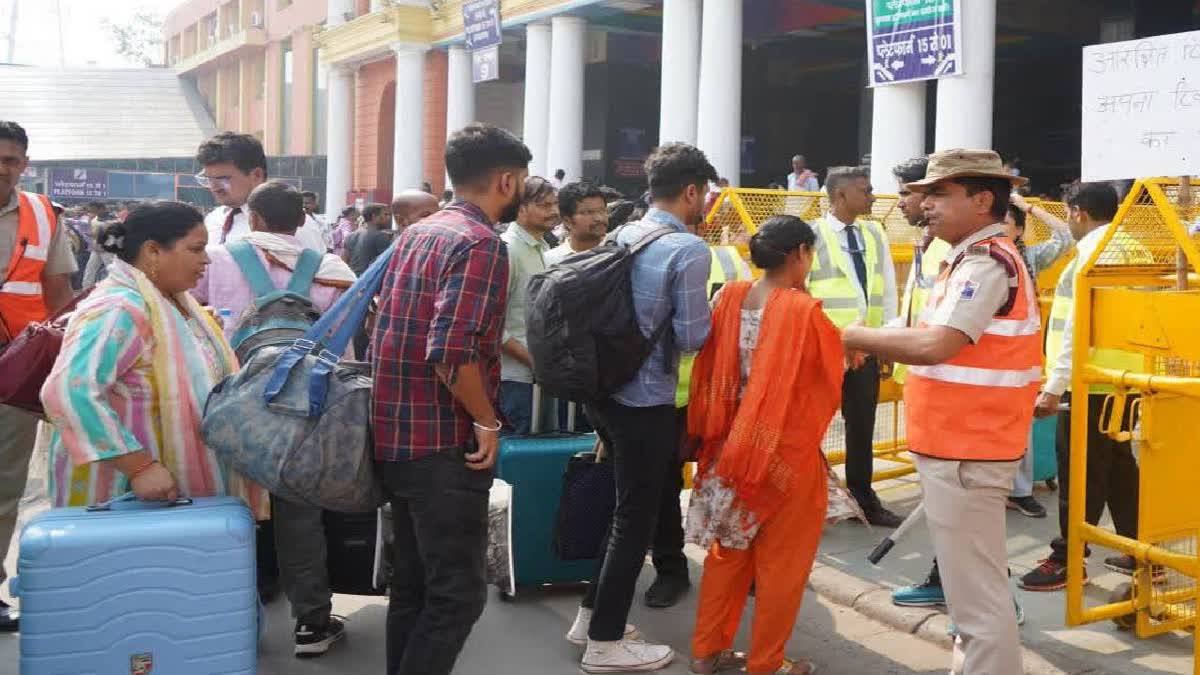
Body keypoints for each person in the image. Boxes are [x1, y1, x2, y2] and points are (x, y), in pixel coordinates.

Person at [842, 149, 1041, 675]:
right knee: (973, 593)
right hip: (961, 445)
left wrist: (845, 333)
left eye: (938, 194)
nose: (923, 204)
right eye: (924, 193)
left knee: (976, 604)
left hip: (968, 449)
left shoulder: (986, 263)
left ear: (981, 200)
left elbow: (935, 346)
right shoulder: (968, 257)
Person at [370, 123, 530, 675]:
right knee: (458, 596)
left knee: (414, 587)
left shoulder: (420, 231)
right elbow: (451, 352)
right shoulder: (480, 243)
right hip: (443, 444)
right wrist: (486, 421)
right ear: (506, 180)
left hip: (396, 435)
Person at [566, 143, 715, 673]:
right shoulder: (689, 250)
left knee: (623, 510)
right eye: (706, 194)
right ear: (692, 191)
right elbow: (692, 337)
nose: (706, 205)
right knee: (637, 517)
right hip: (647, 400)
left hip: (604, 393)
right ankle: (605, 645)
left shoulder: (622, 234)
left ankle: (590, 618)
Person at [191, 182, 354, 656]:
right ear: (302, 221)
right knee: (299, 511)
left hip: (231, 400)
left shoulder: (217, 258)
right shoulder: (333, 269)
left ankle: (229, 619)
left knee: (230, 505)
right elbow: (346, 348)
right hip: (304, 407)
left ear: (253, 218)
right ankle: (311, 624)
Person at [688, 216, 844, 675]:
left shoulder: (729, 297)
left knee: (727, 554)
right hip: (781, 454)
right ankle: (766, 664)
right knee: (782, 566)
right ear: (799, 254)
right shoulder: (804, 311)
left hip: (726, 451)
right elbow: (824, 380)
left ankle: (705, 651)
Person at [40, 201, 269, 515]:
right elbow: (68, 391)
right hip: (127, 496)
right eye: (196, 249)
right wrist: (138, 466)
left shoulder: (171, 303)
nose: (206, 260)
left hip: (166, 498)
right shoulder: (119, 309)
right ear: (153, 252)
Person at [1019, 182, 1143, 592]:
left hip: (1087, 382)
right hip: (1124, 380)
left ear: (1077, 212)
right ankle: (1139, 551)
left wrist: (1054, 386)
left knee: (1081, 472)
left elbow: (1077, 327)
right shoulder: (1130, 245)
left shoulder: (1091, 252)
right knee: (1120, 465)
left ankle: (1068, 558)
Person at [0, 121, 76, 633]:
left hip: (13, 373)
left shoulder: (44, 216)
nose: (1, 168)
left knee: (5, 486)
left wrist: (57, 373)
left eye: (10, 159)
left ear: (24, 164)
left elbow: (58, 299)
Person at [809, 166, 902, 527]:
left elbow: (888, 287)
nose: (872, 196)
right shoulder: (814, 235)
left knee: (862, 426)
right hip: (826, 350)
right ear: (840, 196)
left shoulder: (873, 232)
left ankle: (863, 499)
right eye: (865, 190)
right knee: (811, 428)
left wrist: (888, 337)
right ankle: (813, 499)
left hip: (866, 347)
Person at [1002, 192, 1074, 519]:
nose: (996, 229)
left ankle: (1019, 490)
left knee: (1020, 421)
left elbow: (1065, 235)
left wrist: (1031, 207)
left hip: (1019, 351)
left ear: (1018, 229)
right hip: (984, 352)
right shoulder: (979, 255)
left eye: (1004, 222)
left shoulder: (1029, 257)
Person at [197, 132, 325, 253]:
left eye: (222, 179)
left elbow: (311, 272)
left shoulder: (290, 221)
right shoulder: (215, 219)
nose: (214, 187)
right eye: (208, 179)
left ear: (257, 175)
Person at [498, 176, 557, 434]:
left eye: (555, 204)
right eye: (545, 205)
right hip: (513, 378)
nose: (554, 211)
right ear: (520, 208)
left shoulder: (541, 248)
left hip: (537, 377)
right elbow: (493, 326)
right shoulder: (508, 250)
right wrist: (532, 360)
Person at [544, 181, 608, 266]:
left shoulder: (620, 255)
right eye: (589, 212)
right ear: (567, 221)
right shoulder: (551, 261)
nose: (599, 218)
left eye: (602, 211)